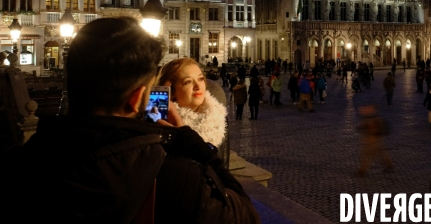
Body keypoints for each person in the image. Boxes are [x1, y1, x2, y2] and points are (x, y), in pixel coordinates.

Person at [0, 17, 258, 223]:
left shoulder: (16, 165)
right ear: (137, 99)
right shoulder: (177, 177)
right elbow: (246, 214)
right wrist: (190, 141)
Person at [158, 58, 227, 147]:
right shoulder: (162, 126)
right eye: (188, 82)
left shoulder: (218, 118)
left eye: (201, 79)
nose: (198, 86)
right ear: (171, 91)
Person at [356, 105, 393, 177]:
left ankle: (362, 170)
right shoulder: (372, 118)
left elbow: (370, 128)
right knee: (381, 152)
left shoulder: (373, 120)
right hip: (376, 140)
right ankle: (389, 164)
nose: (363, 111)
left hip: (373, 140)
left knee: (365, 155)